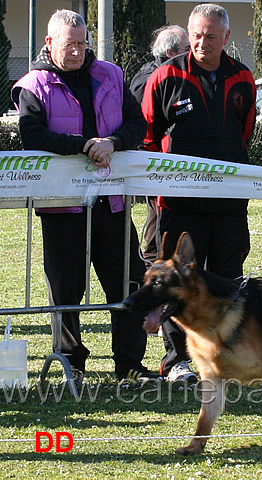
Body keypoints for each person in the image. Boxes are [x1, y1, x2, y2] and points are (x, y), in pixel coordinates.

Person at [11, 9, 158, 385]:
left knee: (127, 281)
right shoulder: (33, 85)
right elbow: (33, 136)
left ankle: (130, 365)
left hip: (113, 199)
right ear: (49, 43)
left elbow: (136, 123)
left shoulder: (111, 74)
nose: (77, 51)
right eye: (69, 44)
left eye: (82, 43)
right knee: (66, 288)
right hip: (61, 204)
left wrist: (113, 142)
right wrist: (84, 147)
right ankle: (72, 363)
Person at [142, 4, 256, 383]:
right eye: (196, 35)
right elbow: (147, 137)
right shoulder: (165, 76)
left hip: (228, 204)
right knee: (177, 281)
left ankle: (225, 355)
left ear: (226, 37)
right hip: (178, 204)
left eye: (211, 36)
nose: (202, 43)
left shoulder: (243, 78)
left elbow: (244, 134)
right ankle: (178, 361)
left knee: (227, 279)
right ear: (188, 34)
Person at [129, 25, 190, 261]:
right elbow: (145, 124)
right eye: (187, 48)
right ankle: (154, 266)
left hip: (171, 164)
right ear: (172, 53)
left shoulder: (173, 73)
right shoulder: (151, 78)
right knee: (158, 220)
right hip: (155, 163)